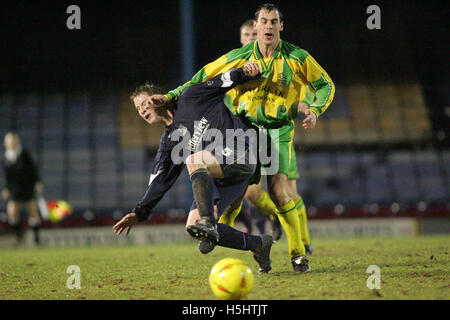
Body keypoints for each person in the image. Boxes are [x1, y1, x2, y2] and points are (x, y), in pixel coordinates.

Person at [147, 3, 335, 273]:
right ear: (255, 26)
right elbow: (202, 77)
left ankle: (298, 255)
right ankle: (233, 237)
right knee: (239, 195)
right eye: (264, 21)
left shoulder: (297, 57)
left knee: (279, 192)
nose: (268, 26)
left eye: (274, 22)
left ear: (281, 26)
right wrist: (171, 96)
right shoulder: (239, 56)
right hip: (243, 130)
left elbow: (325, 84)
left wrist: (315, 110)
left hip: (278, 130)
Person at [113, 63, 274, 273]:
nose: (142, 110)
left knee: (193, 160)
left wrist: (245, 73)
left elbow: (224, 80)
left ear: (158, 97)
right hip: (226, 178)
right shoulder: (169, 141)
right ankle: (258, 244)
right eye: (138, 108)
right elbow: (160, 180)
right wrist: (139, 212)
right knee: (193, 228)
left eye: (144, 103)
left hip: (240, 151)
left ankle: (209, 220)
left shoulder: (191, 95)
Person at [239, 18, 312, 253]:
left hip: (277, 133)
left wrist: (302, 106)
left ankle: (303, 243)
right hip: (249, 136)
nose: (252, 38)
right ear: (242, 39)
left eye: (254, 34)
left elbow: (300, 89)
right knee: (250, 192)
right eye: (247, 35)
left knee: (288, 191)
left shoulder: (284, 62)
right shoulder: (237, 68)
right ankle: (276, 216)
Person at [1, 132, 43, 246]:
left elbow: (34, 169)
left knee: (33, 212)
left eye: (12, 140)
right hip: (15, 188)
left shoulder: (24, 153)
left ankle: (37, 240)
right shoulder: (6, 156)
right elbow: (7, 176)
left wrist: (37, 182)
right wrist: (6, 188)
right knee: (12, 213)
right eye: (8, 140)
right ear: (6, 143)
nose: (10, 142)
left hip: (27, 186)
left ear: (17, 141)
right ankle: (19, 238)